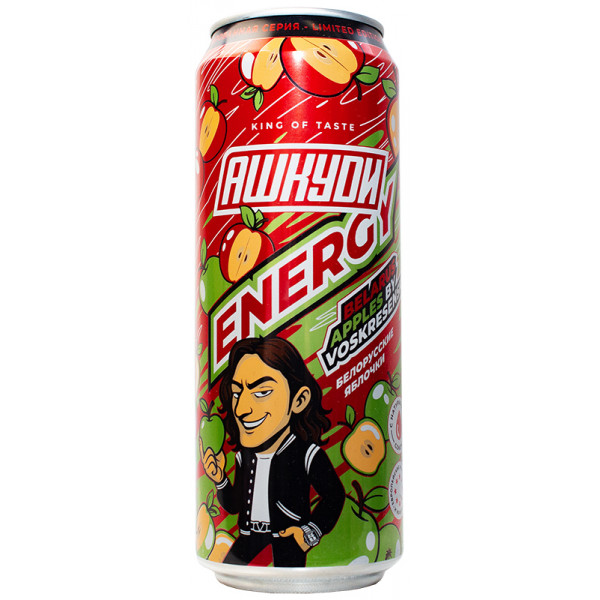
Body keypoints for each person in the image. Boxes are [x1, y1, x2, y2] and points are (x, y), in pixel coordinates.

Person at [200, 336, 345, 567]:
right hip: (248, 537)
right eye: (237, 393)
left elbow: (334, 496)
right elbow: (234, 505)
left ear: (299, 400)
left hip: (287, 540)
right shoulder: (243, 457)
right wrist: (220, 480)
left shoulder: (307, 454)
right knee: (229, 564)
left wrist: (310, 532)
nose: (241, 409)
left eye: (261, 392)